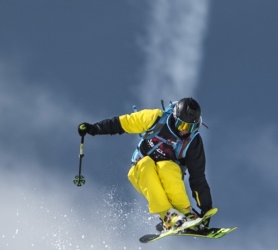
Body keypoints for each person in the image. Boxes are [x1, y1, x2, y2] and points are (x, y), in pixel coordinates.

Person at [79, 97, 213, 232]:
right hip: (140, 171)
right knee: (146, 164)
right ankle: (167, 216)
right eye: (182, 125)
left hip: (169, 172)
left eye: (190, 127)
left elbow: (198, 178)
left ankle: (186, 213)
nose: (184, 131)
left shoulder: (193, 142)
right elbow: (124, 123)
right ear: (174, 117)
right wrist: (94, 128)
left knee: (167, 167)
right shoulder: (155, 119)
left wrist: (206, 209)